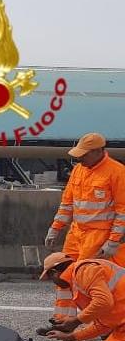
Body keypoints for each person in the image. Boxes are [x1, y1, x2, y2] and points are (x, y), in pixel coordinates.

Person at [43, 133, 125, 326]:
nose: (80, 158)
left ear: (98, 151)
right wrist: (55, 229)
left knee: (84, 279)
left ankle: (96, 324)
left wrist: (112, 241)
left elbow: (122, 211)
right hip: (76, 233)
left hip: (98, 235)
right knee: (62, 273)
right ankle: (62, 320)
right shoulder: (79, 170)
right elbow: (67, 203)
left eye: (84, 155)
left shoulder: (117, 172)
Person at [40, 251, 125, 341]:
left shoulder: (83, 271)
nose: (53, 282)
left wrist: (76, 321)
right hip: (121, 326)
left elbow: (104, 302)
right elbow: (102, 325)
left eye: (50, 278)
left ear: (55, 272)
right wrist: (69, 337)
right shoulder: (79, 281)